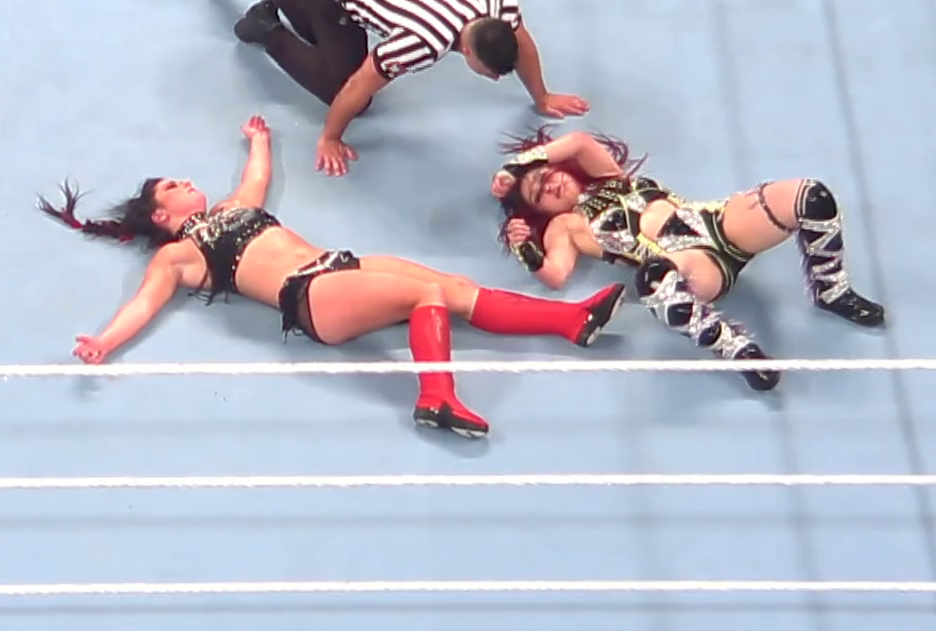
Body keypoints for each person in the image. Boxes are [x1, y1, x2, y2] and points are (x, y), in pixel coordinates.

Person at [41, 116, 627, 438]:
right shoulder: (180, 255)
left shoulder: (232, 208)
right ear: (162, 216)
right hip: (310, 297)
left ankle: (571, 320)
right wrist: (105, 342)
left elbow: (255, 179)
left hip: (338, 267)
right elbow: (145, 303)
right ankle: (436, 398)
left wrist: (259, 140)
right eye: (173, 186)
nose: (186, 182)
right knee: (426, 293)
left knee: (449, 286)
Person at [488, 126, 886, 392]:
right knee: (653, 281)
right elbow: (556, 275)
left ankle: (831, 289)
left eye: (547, 174)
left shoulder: (611, 176)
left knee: (810, 196)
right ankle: (737, 350)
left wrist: (518, 164)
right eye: (538, 193)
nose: (549, 185)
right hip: (690, 264)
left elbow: (577, 141)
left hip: (720, 223)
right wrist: (527, 250)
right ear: (539, 211)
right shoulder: (566, 226)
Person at [202, 0, 589, 177]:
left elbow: (522, 43)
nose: (493, 79)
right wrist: (330, 137)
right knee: (337, 82)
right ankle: (267, 30)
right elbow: (359, 84)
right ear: (469, 55)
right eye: (489, 73)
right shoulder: (424, 41)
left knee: (315, 24)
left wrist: (541, 96)